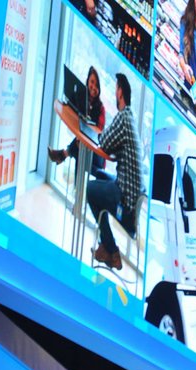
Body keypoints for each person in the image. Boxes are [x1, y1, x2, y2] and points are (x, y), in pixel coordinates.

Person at [87, 73, 142, 270]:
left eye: (116, 87)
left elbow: (105, 141)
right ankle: (106, 246)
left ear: (120, 91)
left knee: (90, 189)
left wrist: (102, 134)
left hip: (126, 203)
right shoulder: (130, 118)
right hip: (131, 195)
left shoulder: (123, 117)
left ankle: (111, 250)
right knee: (99, 174)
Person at [48, 66, 106, 174]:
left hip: (96, 154)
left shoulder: (101, 108)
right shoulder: (83, 99)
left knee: (79, 150)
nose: (93, 87)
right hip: (83, 146)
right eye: (92, 82)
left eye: (97, 85)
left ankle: (63, 155)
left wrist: (83, 139)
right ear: (88, 81)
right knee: (79, 149)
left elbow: (99, 134)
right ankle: (63, 156)